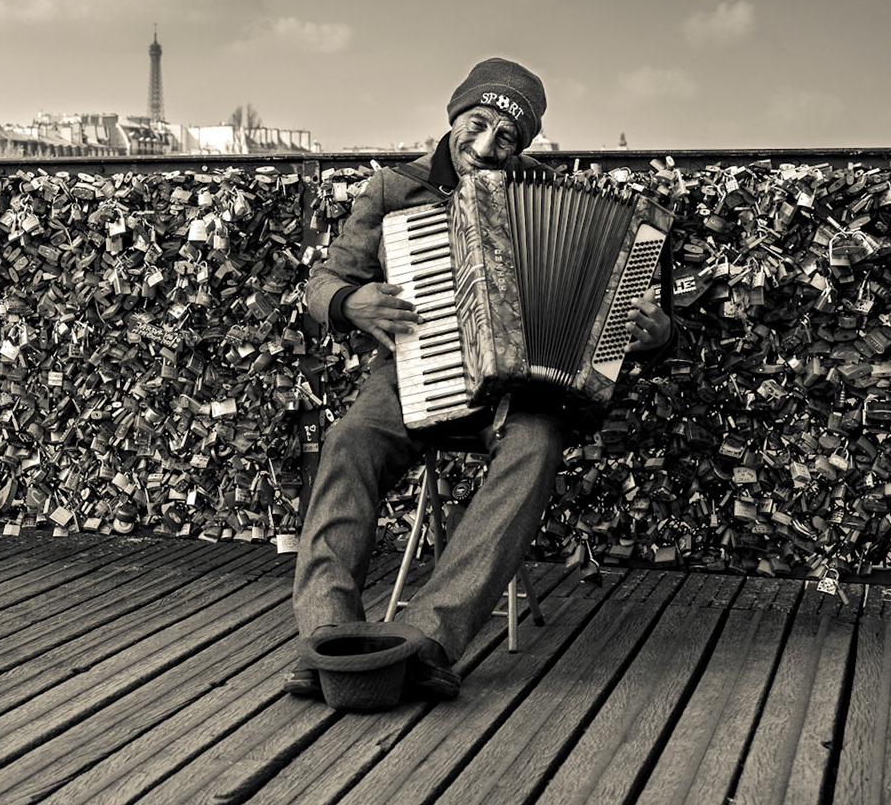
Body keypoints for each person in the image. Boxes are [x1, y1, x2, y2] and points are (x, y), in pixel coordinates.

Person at [287, 58, 671, 703]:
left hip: (525, 389)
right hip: (413, 369)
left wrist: (656, 333)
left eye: (508, 138)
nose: (487, 147)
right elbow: (324, 282)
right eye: (478, 124)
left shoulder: (549, 196)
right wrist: (347, 303)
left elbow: (641, 313)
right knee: (349, 440)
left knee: (536, 447)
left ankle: (428, 639)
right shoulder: (392, 190)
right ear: (454, 114)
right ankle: (325, 635)